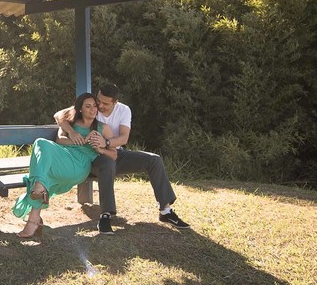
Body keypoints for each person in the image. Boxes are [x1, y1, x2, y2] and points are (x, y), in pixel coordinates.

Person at [54, 83, 189, 234]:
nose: (100, 106)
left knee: (154, 160)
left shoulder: (124, 110)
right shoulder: (91, 106)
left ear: (115, 102)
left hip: (114, 152)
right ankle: (106, 215)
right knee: (107, 163)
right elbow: (59, 115)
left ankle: (165, 211)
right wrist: (71, 132)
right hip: (93, 158)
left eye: (105, 103)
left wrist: (105, 143)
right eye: (99, 100)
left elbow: (124, 138)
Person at [13, 93, 117, 238]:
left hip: (80, 164)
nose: (92, 109)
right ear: (80, 109)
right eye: (88, 106)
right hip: (64, 155)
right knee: (41, 145)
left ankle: (37, 195)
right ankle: (34, 220)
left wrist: (100, 149)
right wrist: (73, 135)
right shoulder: (71, 123)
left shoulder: (103, 128)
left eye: (94, 106)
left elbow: (114, 155)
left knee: (41, 171)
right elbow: (60, 139)